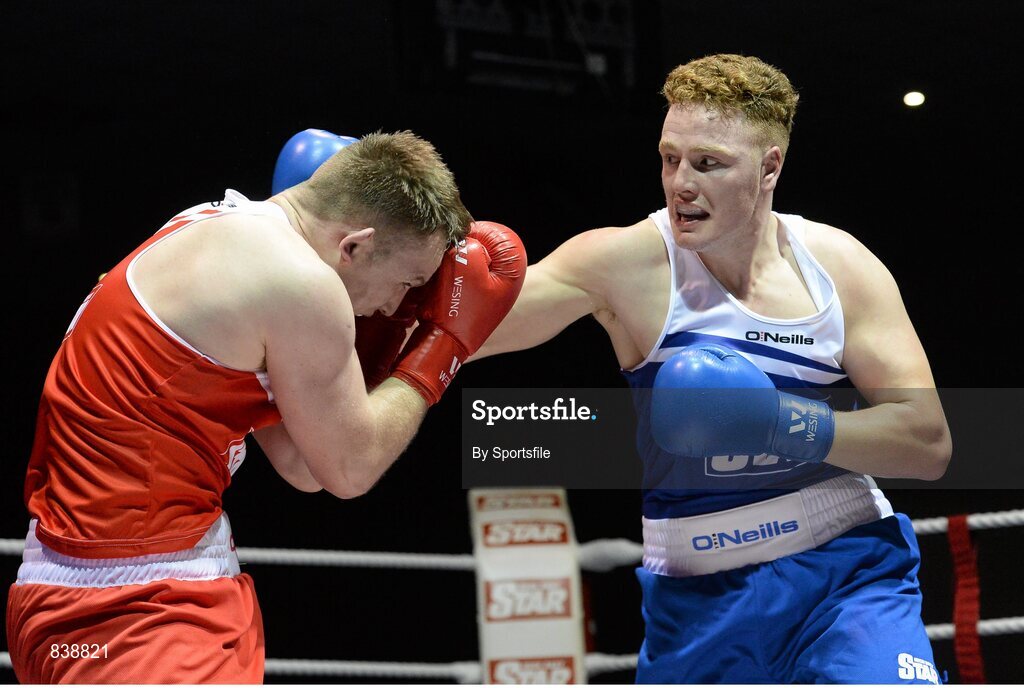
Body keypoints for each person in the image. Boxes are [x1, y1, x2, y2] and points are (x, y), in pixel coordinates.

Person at [476, 54, 950, 683]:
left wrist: (781, 422)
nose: (680, 183)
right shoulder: (623, 264)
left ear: (770, 167)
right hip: (695, 607)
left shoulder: (838, 267)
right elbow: (461, 339)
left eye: (707, 164)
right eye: (670, 158)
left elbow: (927, 440)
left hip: (845, 575)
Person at [8, 129, 526, 683]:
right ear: (355, 246)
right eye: (408, 282)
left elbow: (307, 464)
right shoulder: (301, 284)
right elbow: (351, 469)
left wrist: (391, 331)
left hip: (65, 593)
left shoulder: (203, 222)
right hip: (140, 611)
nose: (398, 305)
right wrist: (442, 347)